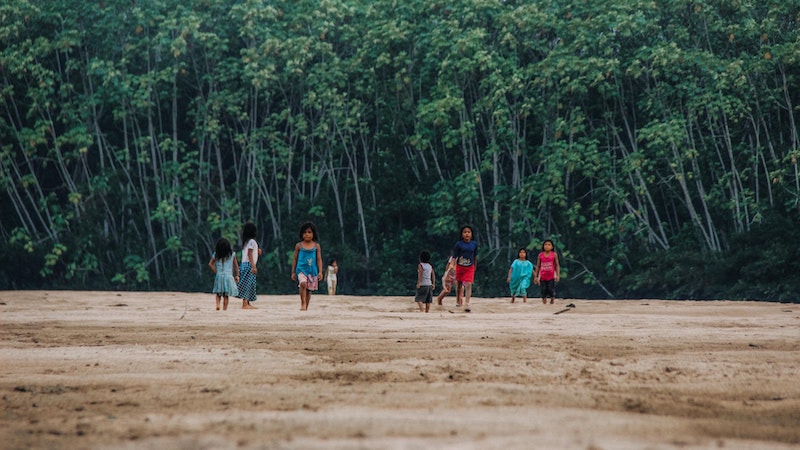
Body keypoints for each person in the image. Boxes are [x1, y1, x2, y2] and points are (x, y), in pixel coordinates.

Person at [292, 221, 323, 311]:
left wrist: (320, 272)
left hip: (312, 271)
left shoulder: (316, 246)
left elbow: (319, 259)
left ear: (313, 233)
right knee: (303, 283)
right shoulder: (299, 246)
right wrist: (293, 272)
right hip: (301, 270)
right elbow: (295, 259)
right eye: (305, 233)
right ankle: (303, 303)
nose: (307, 235)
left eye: (309, 232)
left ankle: (306, 306)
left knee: (309, 289)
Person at [451, 225, 478, 312]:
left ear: (471, 234)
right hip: (460, 267)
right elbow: (454, 256)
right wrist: (452, 264)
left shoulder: (474, 244)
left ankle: (467, 303)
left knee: (469, 284)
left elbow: (475, 257)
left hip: (470, 267)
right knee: (459, 285)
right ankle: (458, 301)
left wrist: (475, 267)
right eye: (465, 232)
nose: (467, 234)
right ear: (462, 234)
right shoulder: (459, 244)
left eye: (468, 232)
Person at [208, 237, 240, 311]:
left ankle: (218, 304)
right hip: (228, 276)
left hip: (219, 275)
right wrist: (237, 275)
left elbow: (210, 264)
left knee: (218, 293)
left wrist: (216, 272)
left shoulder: (216, 254)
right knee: (226, 295)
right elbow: (236, 266)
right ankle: (224, 309)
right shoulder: (232, 255)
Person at [237, 221, 261, 309]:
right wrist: (253, 266)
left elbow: (250, 252)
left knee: (249, 283)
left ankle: (247, 302)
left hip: (244, 265)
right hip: (249, 265)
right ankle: (245, 303)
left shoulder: (246, 242)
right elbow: (250, 254)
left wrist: (257, 251)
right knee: (248, 284)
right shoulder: (252, 242)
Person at [533, 239, 561, 304]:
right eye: (545, 244)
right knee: (543, 290)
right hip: (542, 275)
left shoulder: (554, 254)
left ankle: (552, 299)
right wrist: (536, 276)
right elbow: (538, 266)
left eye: (549, 245)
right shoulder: (540, 255)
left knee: (551, 289)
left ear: (552, 247)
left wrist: (557, 275)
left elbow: (557, 265)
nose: (547, 246)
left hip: (551, 275)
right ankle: (544, 302)